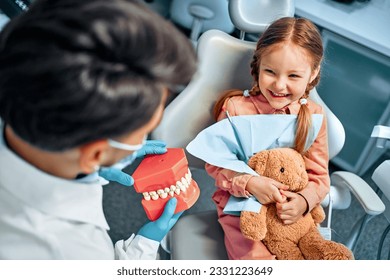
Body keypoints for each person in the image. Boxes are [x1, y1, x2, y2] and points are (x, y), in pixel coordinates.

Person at [0, 0, 196, 259]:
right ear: (94, 154)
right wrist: (144, 247)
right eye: (145, 130)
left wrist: (94, 169)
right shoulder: (70, 250)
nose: (142, 140)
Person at [206, 17, 329, 260]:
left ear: (313, 73)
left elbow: (320, 176)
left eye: (293, 76)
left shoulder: (313, 116)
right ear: (258, 65)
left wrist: (304, 202)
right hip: (241, 211)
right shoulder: (235, 109)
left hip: (290, 213)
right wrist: (250, 183)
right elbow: (217, 164)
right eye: (270, 71)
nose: (279, 84)